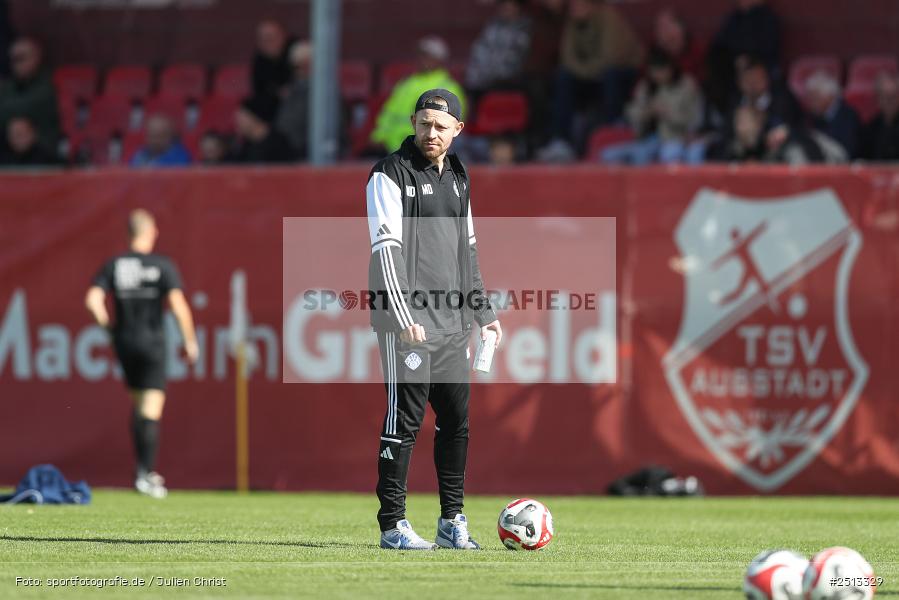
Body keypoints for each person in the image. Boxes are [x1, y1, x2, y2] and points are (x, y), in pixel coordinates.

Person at [366, 89, 500, 550]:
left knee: (456, 423)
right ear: (413, 122)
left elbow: (469, 250)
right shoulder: (389, 173)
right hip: (406, 322)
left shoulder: (460, 176)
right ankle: (393, 526)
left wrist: (484, 313)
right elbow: (387, 252)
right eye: (424, 123)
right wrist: (404, 316)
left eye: (442, 126)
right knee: (402, 422)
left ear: (458, 130)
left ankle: (452, 521)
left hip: (451, 323)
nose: (431, 132)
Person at [84, 209, 198, 499]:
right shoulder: (162, 266)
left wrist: (108, 328)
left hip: (124, 341)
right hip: (152, 342)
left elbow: (92, 300)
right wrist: (190, 340)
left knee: (139, 405)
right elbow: (178, 305)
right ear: (151, 233)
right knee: (150, 408)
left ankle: (141, 471)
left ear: (127, 234)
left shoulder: (115, 265)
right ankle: (145, 474)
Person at [540, 0, 644, 160]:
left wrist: (583, 71)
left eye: (579, 4)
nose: (574, 7)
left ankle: (612, 132)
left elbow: (610, 58)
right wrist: (584, 71)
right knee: (564, 78)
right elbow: (567, 58)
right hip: (591, 75)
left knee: (611, 75)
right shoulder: (573, 22)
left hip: (624, 75)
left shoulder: (608, 17)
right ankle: (561, 141)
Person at [601, 48, 702, 165]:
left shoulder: (686, 85)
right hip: (648, 139)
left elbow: (694, 120)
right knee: (608, 155)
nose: (658, 75)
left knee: (670, 154)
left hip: (675, 139)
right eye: (654, 71)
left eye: (662, 70)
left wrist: (667, 114)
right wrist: (647, 112)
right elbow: (631, 112)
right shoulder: (646, 87)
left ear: (670, 68)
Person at [370, 35, 466, 154]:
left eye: (427, 56)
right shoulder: (406, 84)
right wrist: (379, 137)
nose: (422, 59)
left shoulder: (448, 88)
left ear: (439, 60)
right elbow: (388, 114)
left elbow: (448, 126)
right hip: (391, 149)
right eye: (421, 55)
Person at [0, 37, 60, 156]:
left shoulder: (47, 84)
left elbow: (26, 107)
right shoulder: (10, 85)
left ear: (36, 57)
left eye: (21, 58)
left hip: (42, 150)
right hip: (8, 151)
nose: (16, 63)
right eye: (13, 59)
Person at [464, 0, 532, 101]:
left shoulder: (525, 29)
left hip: (511, 81)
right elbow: (479, 53)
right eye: (504, 5)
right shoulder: (492, 27)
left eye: (511, 5)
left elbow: (517, 59)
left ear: (518, 8)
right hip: (486, 80)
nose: (507, 8)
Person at [803, 70, 861, 160]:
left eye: (815, 97)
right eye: (810, 97)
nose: (811, 102)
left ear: (829, 96)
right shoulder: (810, 117)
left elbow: (848, 152)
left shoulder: (849, 117)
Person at [274, 40, 312, 160]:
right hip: (287, 151)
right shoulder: (292, 89)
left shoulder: (325, 93)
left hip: (306, 153)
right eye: (296, 67)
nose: (299, 71)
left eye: (304, 66)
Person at [229, 95, 295, 163]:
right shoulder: (245, 146)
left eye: (241, 117)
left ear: (255, 117)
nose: (237, 121)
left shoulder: (280, 146)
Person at [251, 19, 296, 101]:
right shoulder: (259, 61)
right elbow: (259, 90)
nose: (267, 43)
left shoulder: (296, 51)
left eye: (270, 38)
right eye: (262, 40)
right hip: (273, 104)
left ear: (282, 36)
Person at [861, 72, 899, 161]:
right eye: (885, 97)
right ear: (877, 99)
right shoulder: (871, 128)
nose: (889, 102)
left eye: (893, 96)